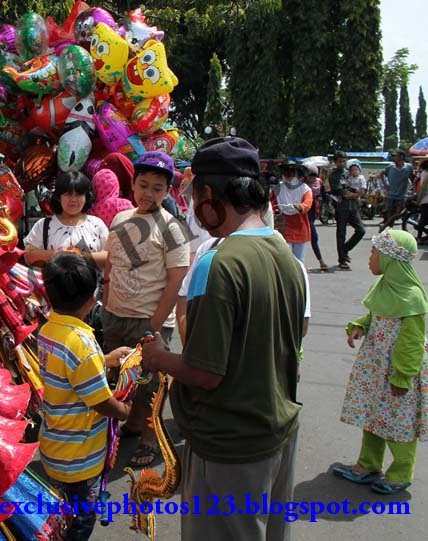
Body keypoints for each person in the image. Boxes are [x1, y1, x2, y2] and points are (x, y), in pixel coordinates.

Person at [141, 137, 306, 541]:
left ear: (209, 195)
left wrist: (157, 356)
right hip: (277, 429)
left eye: (194, 196)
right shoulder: (283, 252)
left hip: (230, 445)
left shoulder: (218, 262)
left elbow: (204, 372)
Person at [101, 150, 189, 468]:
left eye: (157, 187)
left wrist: (154, 322)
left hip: (147, 319)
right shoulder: (121, 218)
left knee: (150, 383)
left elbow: (176, 280)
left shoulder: (172, 228)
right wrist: (107, 296)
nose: (148, 193)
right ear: (133, 185)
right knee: (122, 378)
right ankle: (134, 425)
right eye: (143, 185)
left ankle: (151, 440)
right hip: (115, 315)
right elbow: (111, 262)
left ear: (167, 192)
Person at [38, 252, 131, 541]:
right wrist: (126, 410)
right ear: (92, 299)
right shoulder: (82, 344)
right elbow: (101, 402)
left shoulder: (49, 329)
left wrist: (106, 360)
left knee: (59, 517)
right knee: (79, 522)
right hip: (79, 459)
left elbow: (71, 372)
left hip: (54, 448)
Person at [332, 229, 428, 495]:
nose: (370, 258)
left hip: (398, 373)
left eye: (375, 253)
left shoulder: (412, 297)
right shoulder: (384, 287)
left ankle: (400, 472)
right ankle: (368, 464)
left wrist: (403, 376)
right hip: (376, 369)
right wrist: (360, 326)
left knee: (399, 423)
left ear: (390, 259)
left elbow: (412, 343)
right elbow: (375, 315)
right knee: (373, 415)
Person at [24, 170, 108, 269]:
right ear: (59, 197)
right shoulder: (44, 225)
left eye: (79, 194)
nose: (73, 199)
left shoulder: (97, 224)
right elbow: (28, 256)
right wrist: (59, 255)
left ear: (86, 197)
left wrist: (83, 257)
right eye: (68, 194)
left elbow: (111, 256)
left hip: (93, 284)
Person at [329, 150, 365, 270]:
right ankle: (342, 259)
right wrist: (355, 194)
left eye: (344, 161)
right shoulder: (334, 175)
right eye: (340, 161)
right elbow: (341, 192)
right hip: (341, 207)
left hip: (353, 207)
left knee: (361, 230)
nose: (342, 163)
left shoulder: (348, 172)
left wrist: (357, 193)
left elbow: (354, 186)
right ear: (335, 162)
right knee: (341, 234)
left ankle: (345, 249)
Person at [271, 160, 312, 262]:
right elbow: (270, 204)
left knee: (299, 261)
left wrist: (300, 207)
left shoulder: (305, 188)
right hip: (284, 226)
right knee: (285, 260)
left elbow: (308, 203)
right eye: (286, 172)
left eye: (291, 172)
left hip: (300, 225)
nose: (289, 174)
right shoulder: (277, 188)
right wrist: (273, 211)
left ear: (296, 173)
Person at [303, 165, 329, 271]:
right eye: (310, 176)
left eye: (314, 175)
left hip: (315, 209)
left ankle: (321, 261)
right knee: (312, 235)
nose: (312, 178)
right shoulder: (302, 184)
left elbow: (324, 193)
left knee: (313, 237)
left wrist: (328, 203)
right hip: (304, 210)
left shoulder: (319, 182)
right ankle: (321, 261)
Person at [379, 149, 414, 222]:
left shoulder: (408, 167)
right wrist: (385, 185)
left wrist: (413, 187)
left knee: (398, 213)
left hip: (402, 195)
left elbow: (413, 178)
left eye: (395, 156)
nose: (394, 158)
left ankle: (386, 225)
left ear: (401, 157)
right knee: (389, 213)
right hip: (390, 195)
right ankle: (388, 227)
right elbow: (381, 174)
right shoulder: (390, 167)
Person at [415, 161, 428, 245]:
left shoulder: (423, 172)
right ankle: (419, 238)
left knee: (423, 219)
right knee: (423, 219)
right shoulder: (426, 173)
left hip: (424, 199)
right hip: (426, 199)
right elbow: (424, 187)